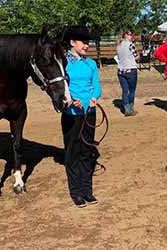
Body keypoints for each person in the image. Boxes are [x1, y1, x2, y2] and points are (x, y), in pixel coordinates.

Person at [61, 26, 102, 208]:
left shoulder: (90, 64)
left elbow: (97, 85)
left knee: (87, 151)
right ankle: (75, 192)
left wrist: (94, 97)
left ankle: (87, 190)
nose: (87, 45)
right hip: (71, 115)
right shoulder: (63, 63)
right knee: (72, 153)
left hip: (89, 113)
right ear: (72, 42)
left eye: (88, 42)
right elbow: (61, 89)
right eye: (83, 42)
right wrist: (70, 101)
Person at [116, 29, 139, 116]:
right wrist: (138, 56)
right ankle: (130, 109)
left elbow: (118, 57)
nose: (131, 36)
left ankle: (126, 109)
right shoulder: (131, 45)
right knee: (132, 90)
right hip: (131, 70)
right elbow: (136, 56)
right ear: (126, 35)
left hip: (121, 70)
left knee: (125, 91)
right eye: (130, 34)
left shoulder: (118, 45)